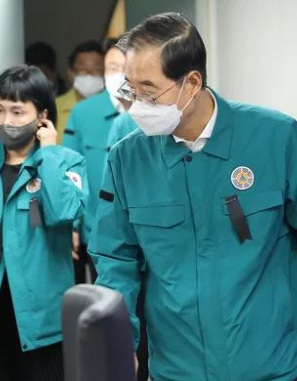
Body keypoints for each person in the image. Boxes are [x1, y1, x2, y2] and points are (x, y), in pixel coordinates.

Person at [89, 12, 297, 379]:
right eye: (130, 88)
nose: (136, 102)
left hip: (270, 366)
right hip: (176, 369)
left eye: (149, 90)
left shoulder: (276, 139)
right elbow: (115, 261)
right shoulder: (127, 159)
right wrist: (119, 346)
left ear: (192, 82)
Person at [0, 65, 87, 381]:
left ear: (42, 115)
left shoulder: (66, 161)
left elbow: (66, 211)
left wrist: (48, 152)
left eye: (17, 112)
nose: (6, 121)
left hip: (43, 323)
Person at [62, 38, 125, 284]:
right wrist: (72, 224)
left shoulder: (150, 110)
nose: (118, 75)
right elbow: (71, 172)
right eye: (111, 68)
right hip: (96, 228)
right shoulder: (83, 113)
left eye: (125, 67)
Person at [55, 40, 104, 143]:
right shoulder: (55, 108)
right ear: (71, 74)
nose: (89, 74)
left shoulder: (117, 109)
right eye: (83, 70)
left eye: (96, 69)